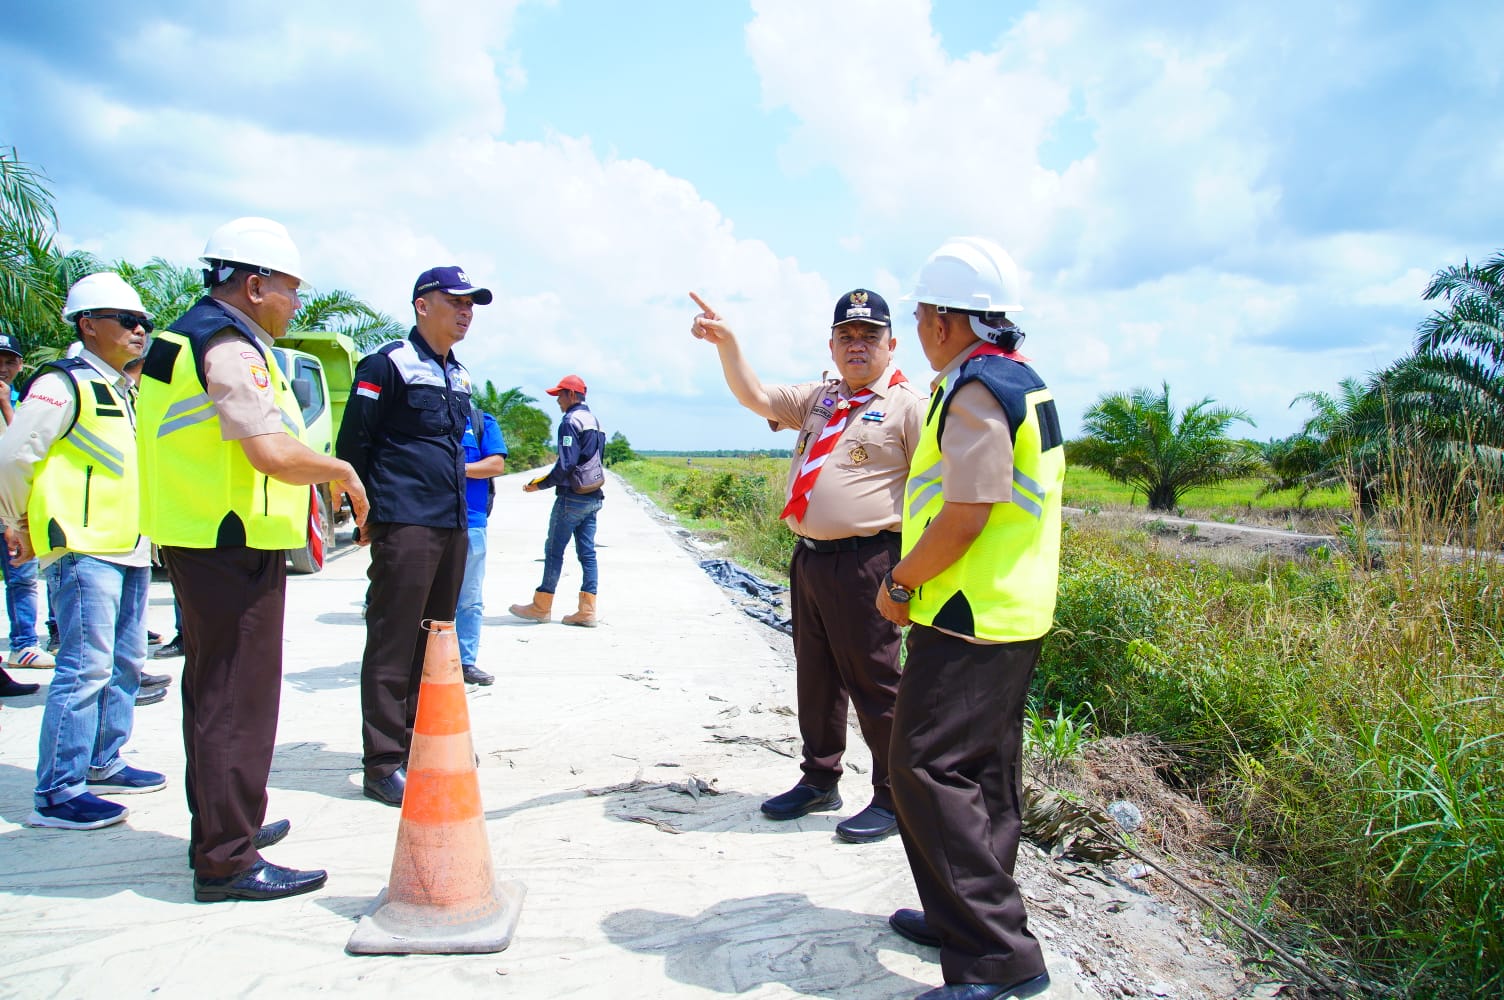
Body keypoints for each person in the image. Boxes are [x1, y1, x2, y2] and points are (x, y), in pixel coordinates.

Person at [136, 217, 368, 901]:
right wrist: (341, 470)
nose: (297, 303)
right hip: (231, 542)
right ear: (255, 283)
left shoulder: (185, 335)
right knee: (237, 699)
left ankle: (223, 826)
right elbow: (269, 451)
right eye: (291, 290)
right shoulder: (226, 344)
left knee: (212, 691)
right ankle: (228, 860)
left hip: (201, 536)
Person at [874, 238, 1064, 1000]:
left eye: (922, 315)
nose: (919, 327)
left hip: (967, 611)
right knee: (982, 773)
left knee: (920, 767)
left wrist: (899, 580)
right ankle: (961, 913)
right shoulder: (1022, 381)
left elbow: (966, 515)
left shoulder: (975, 391)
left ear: (950, 322)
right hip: (1012, 608)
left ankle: (996, 957)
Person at [689, 288, 923, 844]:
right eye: (847, 336)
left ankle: (895, 797)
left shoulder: (909, 405)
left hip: (869, 561)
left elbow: (933, 493)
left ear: (892, 344)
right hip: (811, 561)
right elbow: (757, 396)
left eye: (870, 337)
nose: (857, 346)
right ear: (832, 344)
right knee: (815, 676)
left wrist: (909, 576)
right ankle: (820, 777)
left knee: (876, 683)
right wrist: (729, 343)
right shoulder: (821, 397)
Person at [0, 272, 165, 830]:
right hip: (81, 544)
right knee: (84, 667)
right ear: (89, 325)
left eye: (144, 321)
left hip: (130, 543)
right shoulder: (62, 383)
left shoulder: (125, 388)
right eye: (128, 320)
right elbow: (15, 455)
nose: (140, 329)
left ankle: (103, 759)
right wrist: (13, 520)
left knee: (125, 663)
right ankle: (57, 791)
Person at [337, 265, 485, 806]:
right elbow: (355, 439)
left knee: (436, 639)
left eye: (472, 305)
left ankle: (423, 741)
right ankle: (382, 761)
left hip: (451, 522)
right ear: (423, 305)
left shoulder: (460, 374)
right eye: (456, 301)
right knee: (394, 638)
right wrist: (359, 511)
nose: (466, 312)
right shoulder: (388, 363)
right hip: (405, 521)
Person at [508, 374, 605, 627]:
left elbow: (565, 465)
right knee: (587, 554)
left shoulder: (570, 421)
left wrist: (539, 484)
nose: (558, 401)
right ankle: (587, 610)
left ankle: (541, 606)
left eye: (560, 395)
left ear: (572, 395)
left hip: (571, 497)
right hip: (593, 496)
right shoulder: (593, 420)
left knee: (554, 552)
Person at [0, 332, 57, 675]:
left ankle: (23, 644)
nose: (3, 368)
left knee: (21, 576)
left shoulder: (27, 402)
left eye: (9, 361)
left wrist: (7, 405)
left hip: (9, 507)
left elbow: (20, 449)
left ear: (20, 365)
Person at [457, 402, 507, 686]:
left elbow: (495, 464)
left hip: (472, 523)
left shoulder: (480, 422)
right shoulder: (423, 419)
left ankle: (465, 661)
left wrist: (455, 468)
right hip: (428, 522)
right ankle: (424, 660)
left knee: (469, 599)